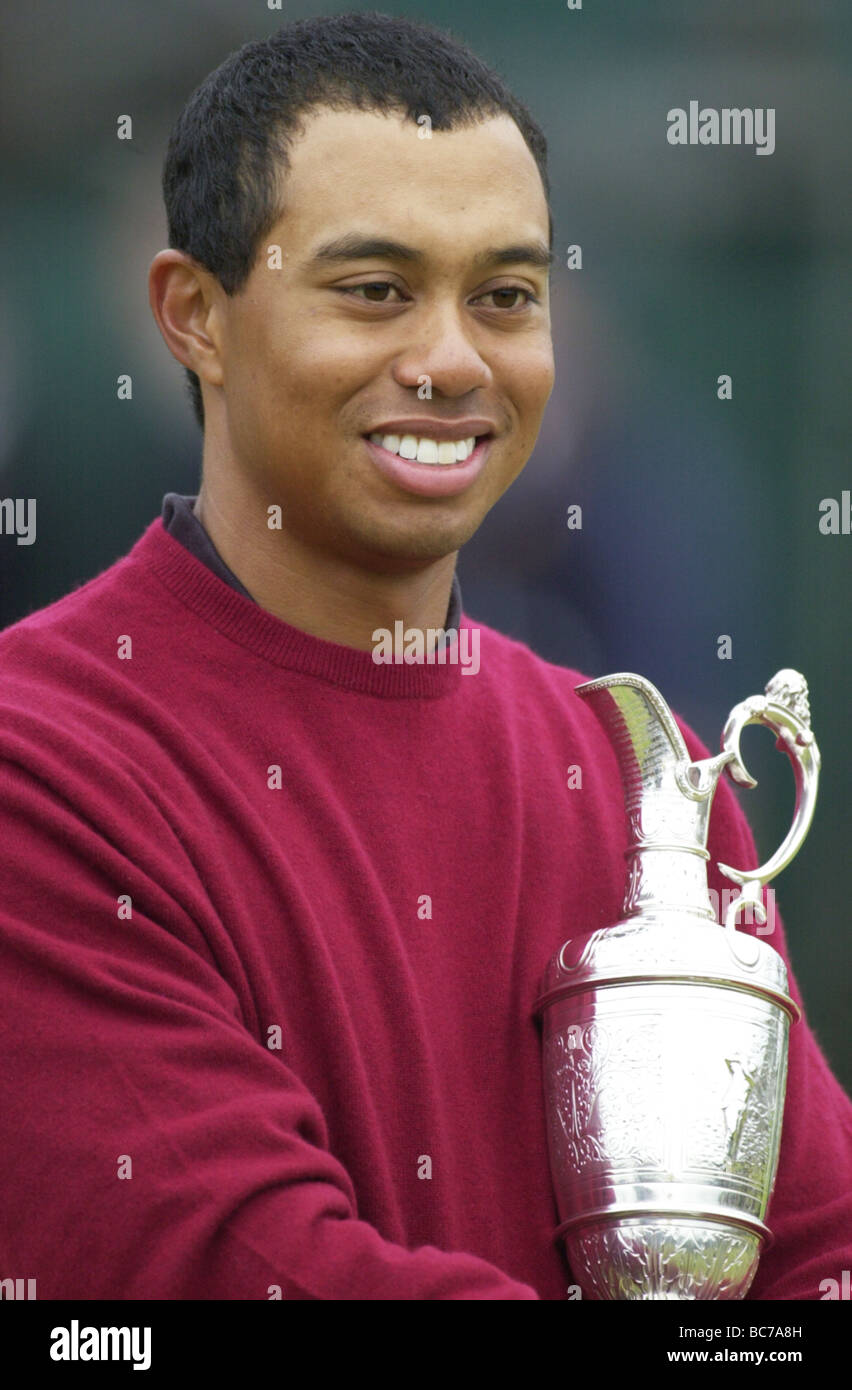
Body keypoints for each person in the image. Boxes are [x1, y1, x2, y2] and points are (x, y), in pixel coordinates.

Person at [0, 12, 849, 1301]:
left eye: (505, 296)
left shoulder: (654, 775)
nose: (452, 361)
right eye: (375, 290)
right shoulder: (40, 763)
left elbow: (816, 1258)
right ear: (194, 317)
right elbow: (240, 1274)